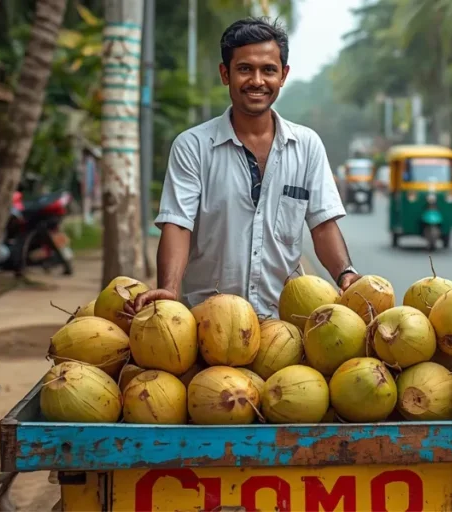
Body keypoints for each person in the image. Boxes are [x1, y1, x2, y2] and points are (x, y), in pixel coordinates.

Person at [126, 17, 361, 319]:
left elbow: (323, 225)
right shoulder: (193, 146)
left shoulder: (307, 146)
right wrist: (169, 290)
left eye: (269, 70)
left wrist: (345, 274)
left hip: (285, 326)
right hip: (207, 323)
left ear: (283, 75)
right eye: (245, 69)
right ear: (225, 74)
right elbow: (177, 225)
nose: (257, 81)